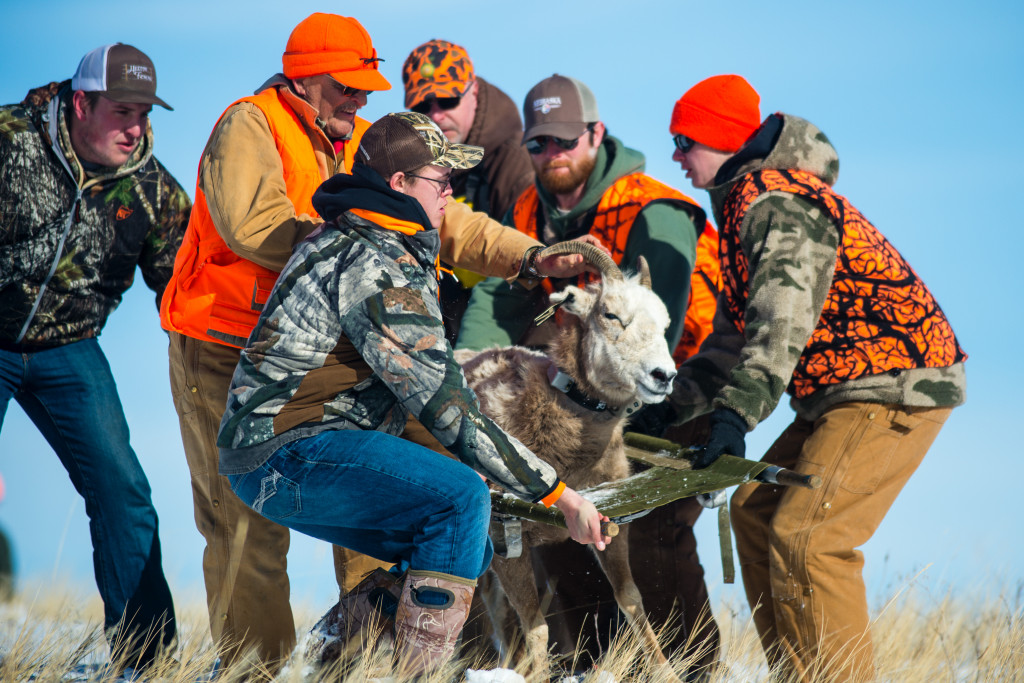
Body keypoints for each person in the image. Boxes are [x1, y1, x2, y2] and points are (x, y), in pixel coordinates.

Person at [159, 14, 600, 670]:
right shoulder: (252, 124)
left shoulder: (369, 144)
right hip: (224, 345)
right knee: (247, 530)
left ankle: (355, 655)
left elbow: (453, 222)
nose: (361, 98)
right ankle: (257, 668)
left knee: (420, 502)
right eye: (347, 85)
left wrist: (531, 257)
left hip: (340, 361)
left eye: (368, 86)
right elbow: (252, 223)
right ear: (305, 78)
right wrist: (347, 238)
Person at [659, 74, 967, 681]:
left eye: (684, 139)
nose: (675, 155)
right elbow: (731, 340)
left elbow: (782, 320)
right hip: (841, 390)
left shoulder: (779, 203)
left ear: (722, 139)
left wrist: (735, 416)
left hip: (897, 383)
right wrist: (669, 409)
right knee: (756, 510)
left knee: (811, 534)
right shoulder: (744, 206)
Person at [457, 74, 722, 677]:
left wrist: (638, 404)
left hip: (677, 390)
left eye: (565, 141)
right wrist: (461, 373)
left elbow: (668, 319)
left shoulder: (651, 205)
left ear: (596, 134)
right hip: (586, 402)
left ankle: (693, 671)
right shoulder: (528, 210)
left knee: (652, 535)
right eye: (539, 145)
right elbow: (498, 301)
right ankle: (595, 667)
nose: (553, 156)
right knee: (560, 526)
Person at [0, 43, 187, 672]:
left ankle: (148, 662)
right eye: (122, 112)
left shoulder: (152, 189)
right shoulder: (10, 144)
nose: (135, 129)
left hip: (69, 349)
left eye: (143, 114)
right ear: (81, 103)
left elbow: (187, 291)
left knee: (123, 489)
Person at [402, 39, 535, 344]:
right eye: (423, 106)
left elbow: (523, 280)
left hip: (504, 340)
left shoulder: (516, 161)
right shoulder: (424, 160)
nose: (436, 116)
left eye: (447, 100)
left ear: (473, 91)